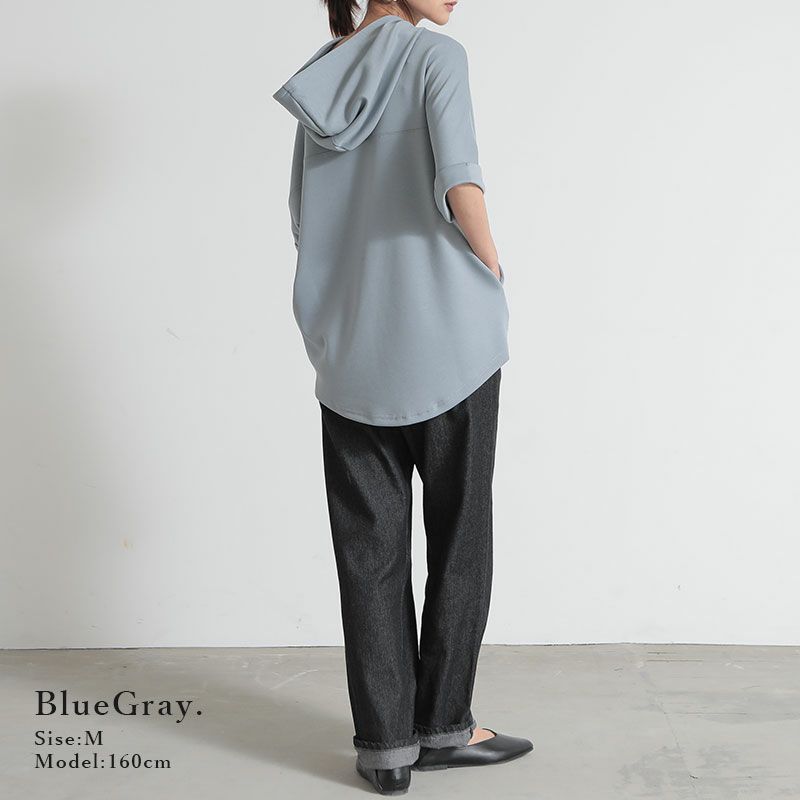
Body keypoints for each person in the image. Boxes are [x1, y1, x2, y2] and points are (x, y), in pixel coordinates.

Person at [274, 0, 532, 794]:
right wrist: (494, 268)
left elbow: (302, 219)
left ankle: (386, 750)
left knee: (368, 552)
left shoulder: (321, 80)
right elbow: (460, 183)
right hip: (448, 342)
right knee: (460, 536)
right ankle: (445, 727)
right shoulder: (434, 59)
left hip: (353, 352)